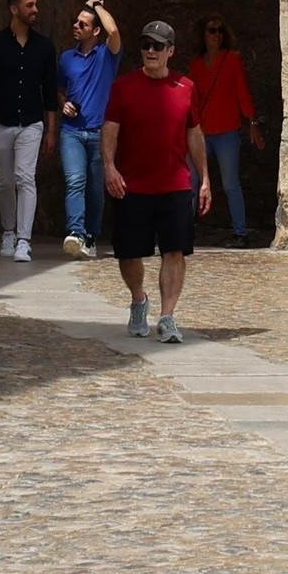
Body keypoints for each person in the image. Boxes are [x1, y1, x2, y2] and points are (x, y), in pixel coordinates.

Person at [103, 19, 209, 343]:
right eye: (146, 45)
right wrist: (109, 166)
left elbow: (194, 134)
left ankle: (167, 317)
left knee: (174, 251)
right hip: (132, 185)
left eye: (157, 46)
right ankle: (138, 300)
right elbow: (110, 129)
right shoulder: (123, 87)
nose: (150, 51)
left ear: (170, 51)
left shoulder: (186, 88)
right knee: (129, 253)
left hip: (175, 184)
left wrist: (204, 179)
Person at [0, 0, 64, 260]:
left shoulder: (44, 47)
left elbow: (49, 92)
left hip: (32, 123)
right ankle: (8, 231)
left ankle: (24, 239)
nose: (35, 10)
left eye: (36, 5)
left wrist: (51, 130)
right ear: (14, 9)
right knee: (4, 181)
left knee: (26, 177)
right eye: (30, 5)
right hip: (0, 122)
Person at [191, 13, 265, 245]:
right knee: (190, 181)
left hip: (227, 132)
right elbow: (191, 99)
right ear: (203, 35)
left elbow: (242, 92)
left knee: (230, 183)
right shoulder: (196, 64)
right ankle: (183, 230)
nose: (216, 35)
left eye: (220, 31)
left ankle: (240, 233)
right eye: (212, 31)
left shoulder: (232, 59)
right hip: (202, 133)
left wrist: (253, 124)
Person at [55, 0, 119, 258]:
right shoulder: (66, 58)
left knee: (95, 187)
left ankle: (91, 235)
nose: (76, 25)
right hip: (71, 131)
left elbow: (113, 32)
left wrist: (98, 7)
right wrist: (64, 103)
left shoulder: (106, 56)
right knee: (75, 180)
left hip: (99, 132)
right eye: (76, 22)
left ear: (95, 31)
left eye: (83, 23)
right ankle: (76, 233)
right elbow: (59, 89)